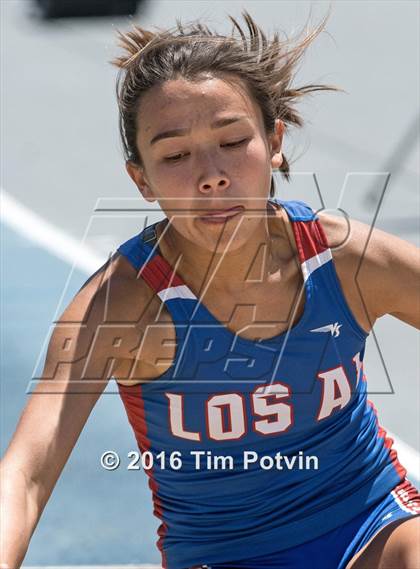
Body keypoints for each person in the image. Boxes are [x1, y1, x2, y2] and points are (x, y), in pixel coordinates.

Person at [1, 10, 419, 569]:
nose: (211, 175)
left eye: (232, 141)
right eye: (175, 155)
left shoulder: (345, 261)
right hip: (222, 555)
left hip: (373, 527)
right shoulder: (123, 307)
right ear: (141, 179)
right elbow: (25, 475)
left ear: (274, 140)